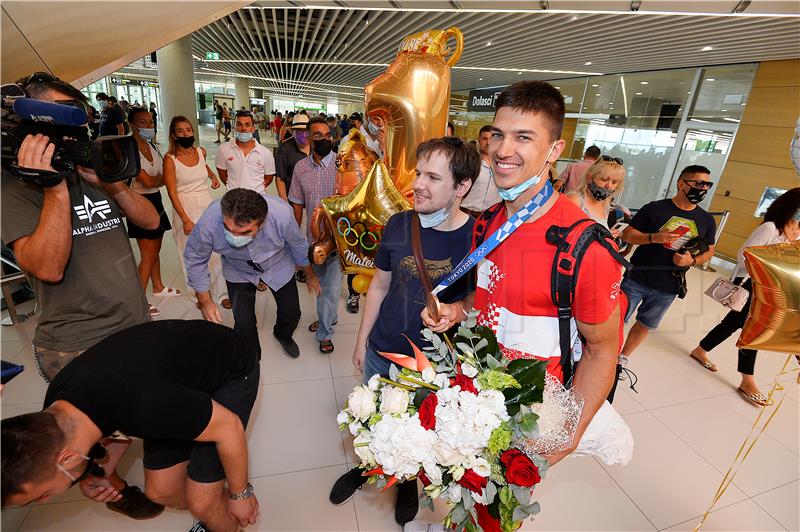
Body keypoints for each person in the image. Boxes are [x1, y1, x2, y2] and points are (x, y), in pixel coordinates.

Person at [423, 81, 625, 469]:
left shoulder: (586, 248)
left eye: (523, 137)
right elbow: (487, 301)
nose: (502, 150)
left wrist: (569, 433)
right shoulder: (488, 223)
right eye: (497, 134)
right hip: (477, 393)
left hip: (532, 411)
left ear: (554, 150)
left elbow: (602, 350)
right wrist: (459, 312)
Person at [1, 72, 162, 520]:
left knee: (124, 422)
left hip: (132, 326)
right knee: (81, 437)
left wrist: (113, 184)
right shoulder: (12, 186)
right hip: (77, 345)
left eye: (77, 120)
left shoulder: (92, 166)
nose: (69, 133)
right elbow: (46, 265)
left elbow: (149, 221)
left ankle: (104, 473)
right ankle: (105, 482)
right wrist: (54, 188)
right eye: (56, 119)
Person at [330, 136, 479, 526]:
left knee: (415, 433)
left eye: (433, 177)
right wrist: (362, 340)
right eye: (418, 173)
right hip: (382, 348)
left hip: (432, 366)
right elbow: (378, 286)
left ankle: (406, 483)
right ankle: (365, 468)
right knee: (372, 420)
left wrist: (457, 310)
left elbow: (481, 304)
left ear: (461, 186)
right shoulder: (399, 223)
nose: (417, 184)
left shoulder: (477, 239)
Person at [1, 320, 261, 532]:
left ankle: (218, 512)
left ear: (67, 458)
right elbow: (109, 418)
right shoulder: (55, 410)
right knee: (160, 492)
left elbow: (230, 428)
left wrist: (241, 494)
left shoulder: (149, 405)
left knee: (201, 502)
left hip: (231, 372)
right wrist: (98, 469)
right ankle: (215, 500)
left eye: (39, 495)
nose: (45, 500)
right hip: (174, 385)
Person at [690, 188, 800, 406]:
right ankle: (747, 380)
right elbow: (744, 254)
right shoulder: (771, 228)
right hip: (756, 286)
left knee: (733, 324)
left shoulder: (796, 231)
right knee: (755, 330)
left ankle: (700, 350)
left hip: (775, 290)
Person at [185, 188, 321, 359]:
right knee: (244, 323)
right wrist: (205, 301)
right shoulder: (210, 221)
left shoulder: (281, 215)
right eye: (228, 228)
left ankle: (282, 335)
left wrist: (310, 274)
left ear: (262, 223)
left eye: (244, 232)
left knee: (292, 313)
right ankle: (251, 356)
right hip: (238, 270)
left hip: (277, 264)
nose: (233, 236)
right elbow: (195, 257)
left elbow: (298, 245)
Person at [618, 165, 717, 368]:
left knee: (646, 323)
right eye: (698, 183)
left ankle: (623, 357)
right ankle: (605, 353)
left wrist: (692, 261)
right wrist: (654, 237)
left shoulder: (706, 220)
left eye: (707, 184)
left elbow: (710, 251)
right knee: (617, 319)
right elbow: (628, 235)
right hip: (638, 277)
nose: (703, 189)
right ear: (681, 183)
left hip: (670, 284)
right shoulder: (655, 208)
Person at [288, 116, 343, 354]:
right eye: (317, 136)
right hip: (314, 241)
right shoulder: (301, 168)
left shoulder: (343, 165)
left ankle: (324, 334)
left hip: (340, 240)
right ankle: (327, 317)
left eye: (327, 135)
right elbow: (297, 206)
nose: (323, 139)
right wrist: (294, 242)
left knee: (329, 289)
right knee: (320, 286)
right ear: (309, 139)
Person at [162, 116, 229, 309]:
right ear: (174, 135)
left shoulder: (201, 151)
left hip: (206, 204)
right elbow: (172, 193)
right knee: (190, 255)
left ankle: (222, 293)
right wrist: (185, 219)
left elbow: (203, 164)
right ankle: (199, 294)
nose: (185, 134)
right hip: (184, 207)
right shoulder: (170, 160)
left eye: (188, 130)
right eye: (180, 131)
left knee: (216, 253)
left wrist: (212, 176)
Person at [126, 107, 180, 317]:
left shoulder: (151, 145)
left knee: (155, 250)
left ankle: (158, 286)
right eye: (143, 122)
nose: (149, 126)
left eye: (150, 122)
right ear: (132, 124)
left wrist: (160, 179)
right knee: (147, 255)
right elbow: (151, 180)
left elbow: (158, 177)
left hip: (154, 199)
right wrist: (162, 179)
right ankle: (138, 302)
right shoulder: (129, 148)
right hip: (139, 203)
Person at [215, 111, 276, 195]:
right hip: (232, 198)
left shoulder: (265, 153)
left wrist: (256, 189)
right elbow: (223, 175)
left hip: (257, 198)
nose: (243, 128)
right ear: (235, 127)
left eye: (247, 125)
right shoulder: (223, 149)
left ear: (253, 128)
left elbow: (269, 178)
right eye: (239, 124)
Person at [565, 155, 625, 232]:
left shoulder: (605, 207)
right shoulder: (575, 199)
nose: (609, 186)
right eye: (604, 180)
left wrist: (607, 236)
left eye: (614, 182)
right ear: (590, 178)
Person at [460, 124, 500, 217]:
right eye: (484, 139)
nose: (488, 143)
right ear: (478, 140)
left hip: (491, 216)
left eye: (492, 138)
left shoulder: (502, 165)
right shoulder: (468, 162)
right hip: (467, 213)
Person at [274, 113, 310, 201]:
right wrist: (285, 204)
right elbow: (279, 178)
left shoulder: (316, 147)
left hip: (313, 201)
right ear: (293, 132)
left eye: (306, 131)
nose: (303, 134)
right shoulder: (284, 149)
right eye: (299, 131)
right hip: (293, 200)